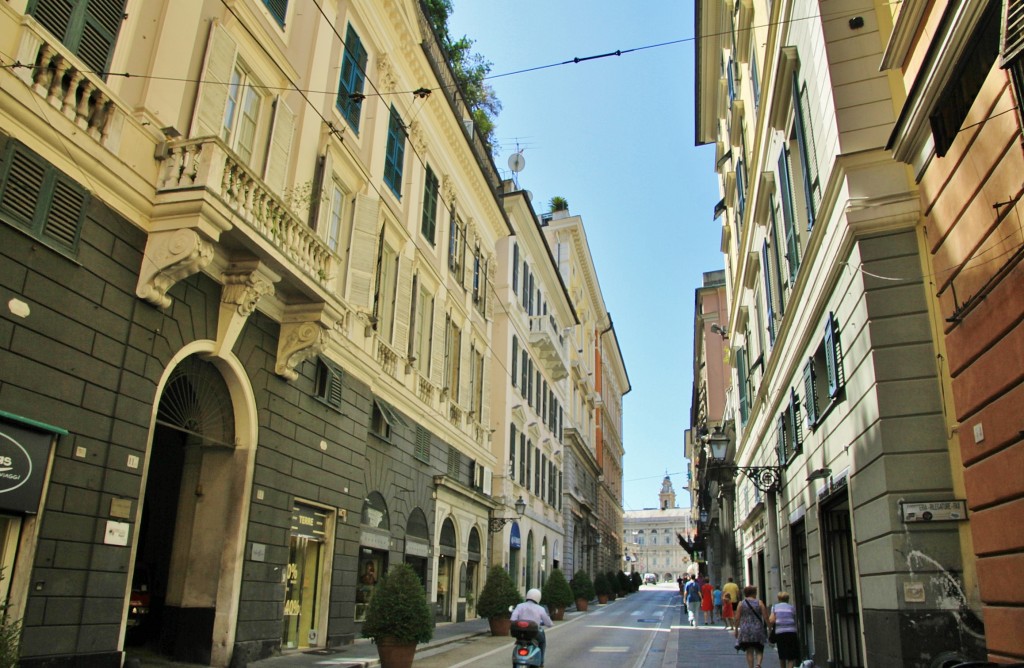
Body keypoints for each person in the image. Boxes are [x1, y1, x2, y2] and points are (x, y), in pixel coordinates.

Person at [511, 588, 554, 657]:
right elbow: (549, 623)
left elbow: (513, 619)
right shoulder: (540, 609)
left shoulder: (519, 606)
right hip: (534, 633)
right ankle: (541, 661)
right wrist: (549, 624)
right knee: (542, 642)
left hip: (520, 633)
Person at [736, 585, 769, 668]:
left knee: (749, 650)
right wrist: (770, 627)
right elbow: (765, 616)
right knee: (759, 648)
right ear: (754, 593)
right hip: (758, 628)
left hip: (746, 629)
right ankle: (758, 664)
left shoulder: (741, 603)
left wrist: (736, 629)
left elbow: (737, 618)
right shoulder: (759, 602)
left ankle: (751, 667)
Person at [768, 591, 800, 668]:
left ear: (778, 599)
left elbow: (771, 620)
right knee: (791, 656)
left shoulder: (775, 607)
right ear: (788, 599)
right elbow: (795, 619)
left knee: (782, 655)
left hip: (780, 632)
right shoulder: (792, 607)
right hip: (791, 632)